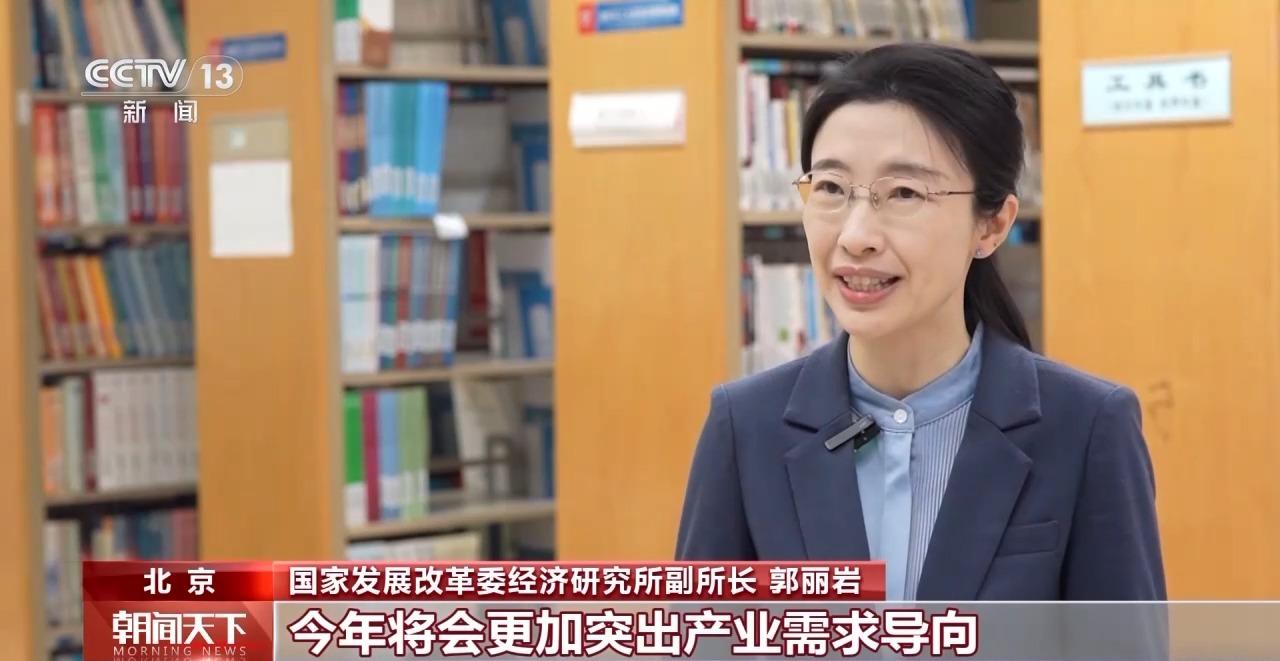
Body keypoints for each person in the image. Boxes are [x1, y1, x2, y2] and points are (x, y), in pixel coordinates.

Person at [675, 43, 1166, 601]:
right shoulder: (745, 427)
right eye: (831, 188)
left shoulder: (1086, 427)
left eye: (904, 193)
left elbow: (1123, 640)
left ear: (991, 225)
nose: (856, 236)